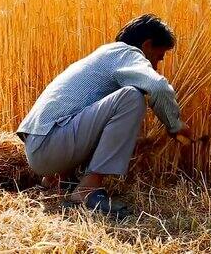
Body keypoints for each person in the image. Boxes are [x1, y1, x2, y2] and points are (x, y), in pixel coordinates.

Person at [16, 14, 193, 215]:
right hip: (50, 146)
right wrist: (175, 124)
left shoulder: (105, 55)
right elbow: (157, 86)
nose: (156, 66)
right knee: (131, 97)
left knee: (105, 104)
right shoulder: (127, 54)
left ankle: (60, 179)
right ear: (147, 45)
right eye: (158, 57)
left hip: (41, 147)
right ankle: (88, 189)